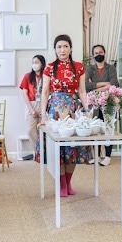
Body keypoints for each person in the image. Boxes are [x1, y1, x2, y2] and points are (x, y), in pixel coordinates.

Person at [39, 34, 90, 197]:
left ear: (71, 48)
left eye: (65, 46)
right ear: (55, 49)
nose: (62, 50)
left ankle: (68, 182)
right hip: (55, 109)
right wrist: (43, 116)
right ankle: (61, 184)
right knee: (58, 148)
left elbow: (82, 91)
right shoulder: (49, 67)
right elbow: (45, 92)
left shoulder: (79, 67)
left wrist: (87, 110)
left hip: (73, 109)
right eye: (59, 47)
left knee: (73, 147)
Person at [85, 44, 119, 165]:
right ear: (93, 55)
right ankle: (97, 156)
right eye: (96, 53)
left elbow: (114, 84)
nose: (98, 54)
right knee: (96, 129)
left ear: (104, 53)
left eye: (100, 52)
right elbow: (86, 85)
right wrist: (105, 84)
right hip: (94, 103)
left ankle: (108, 156)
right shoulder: (90, 69)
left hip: (108, 102)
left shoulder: (111, 68)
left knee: (108, 128)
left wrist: (96, 88)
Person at [19, 55, 46, 156]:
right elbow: (25, 94)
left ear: (42, 64)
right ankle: (37, 152)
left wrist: (44, 110)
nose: (34, 64)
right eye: (33, 62)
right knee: (30, 130)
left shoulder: (46, 76)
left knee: (44, 129)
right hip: (32, 103)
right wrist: (31, 109)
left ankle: (46, 152)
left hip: (44, 103)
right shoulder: (28, 76)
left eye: (37, 62)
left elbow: (49, 92)